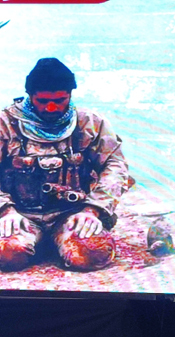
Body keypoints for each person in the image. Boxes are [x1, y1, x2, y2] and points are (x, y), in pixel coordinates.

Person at [0, 58, 130, 271]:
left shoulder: (89, 123)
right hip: (19, 215)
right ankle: (38, 244)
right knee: (8, 254)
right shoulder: (5, 124)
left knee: (91, 255)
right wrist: (5, 210)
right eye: (42, 101)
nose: (51, 108)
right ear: (30, 95)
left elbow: (115, 165)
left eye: (60, 100)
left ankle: (58, 242)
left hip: (71, 213)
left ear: (70, 95)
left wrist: (93, 210)